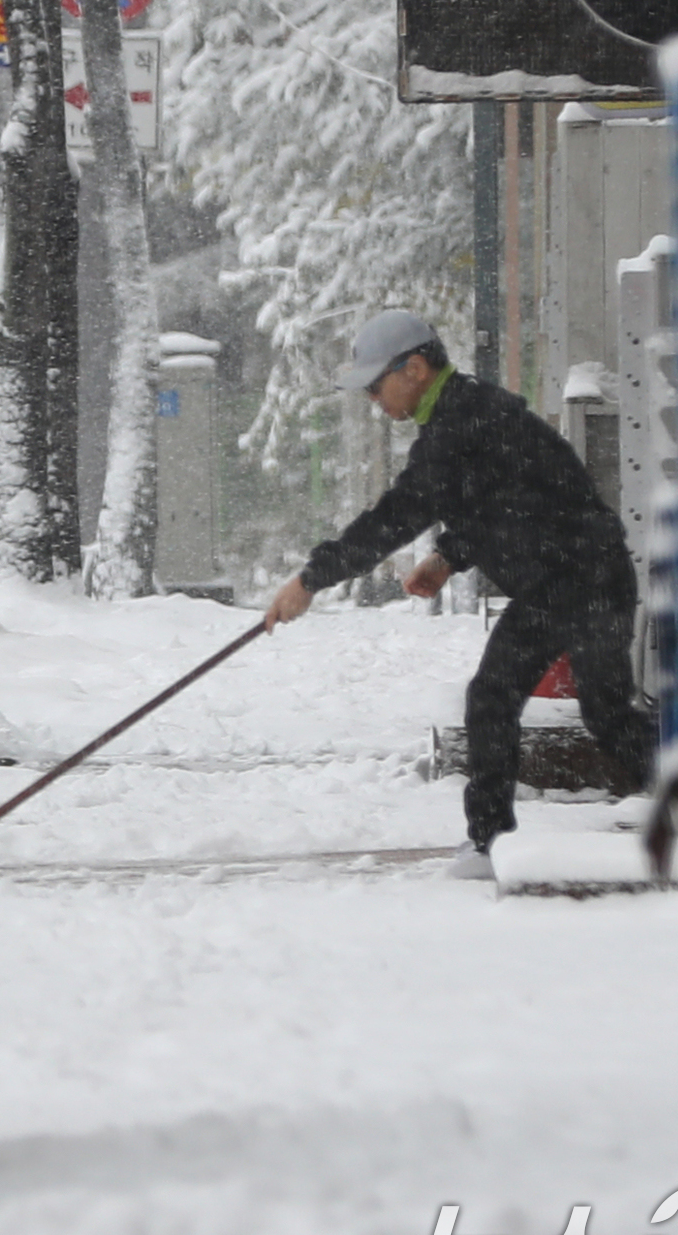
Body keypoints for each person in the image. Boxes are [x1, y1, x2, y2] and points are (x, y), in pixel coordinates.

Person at [264, 309, 655, 879]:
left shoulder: (458, 426)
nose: (373, 397)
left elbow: (395, 516)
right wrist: (449, 556)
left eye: (376, 384)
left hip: (573, 580)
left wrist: (310, 581)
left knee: (510, 702)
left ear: (415, 368)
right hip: (578, 577)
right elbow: (507, 502)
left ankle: (491, 843)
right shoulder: (468, 413)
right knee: (597, 712)